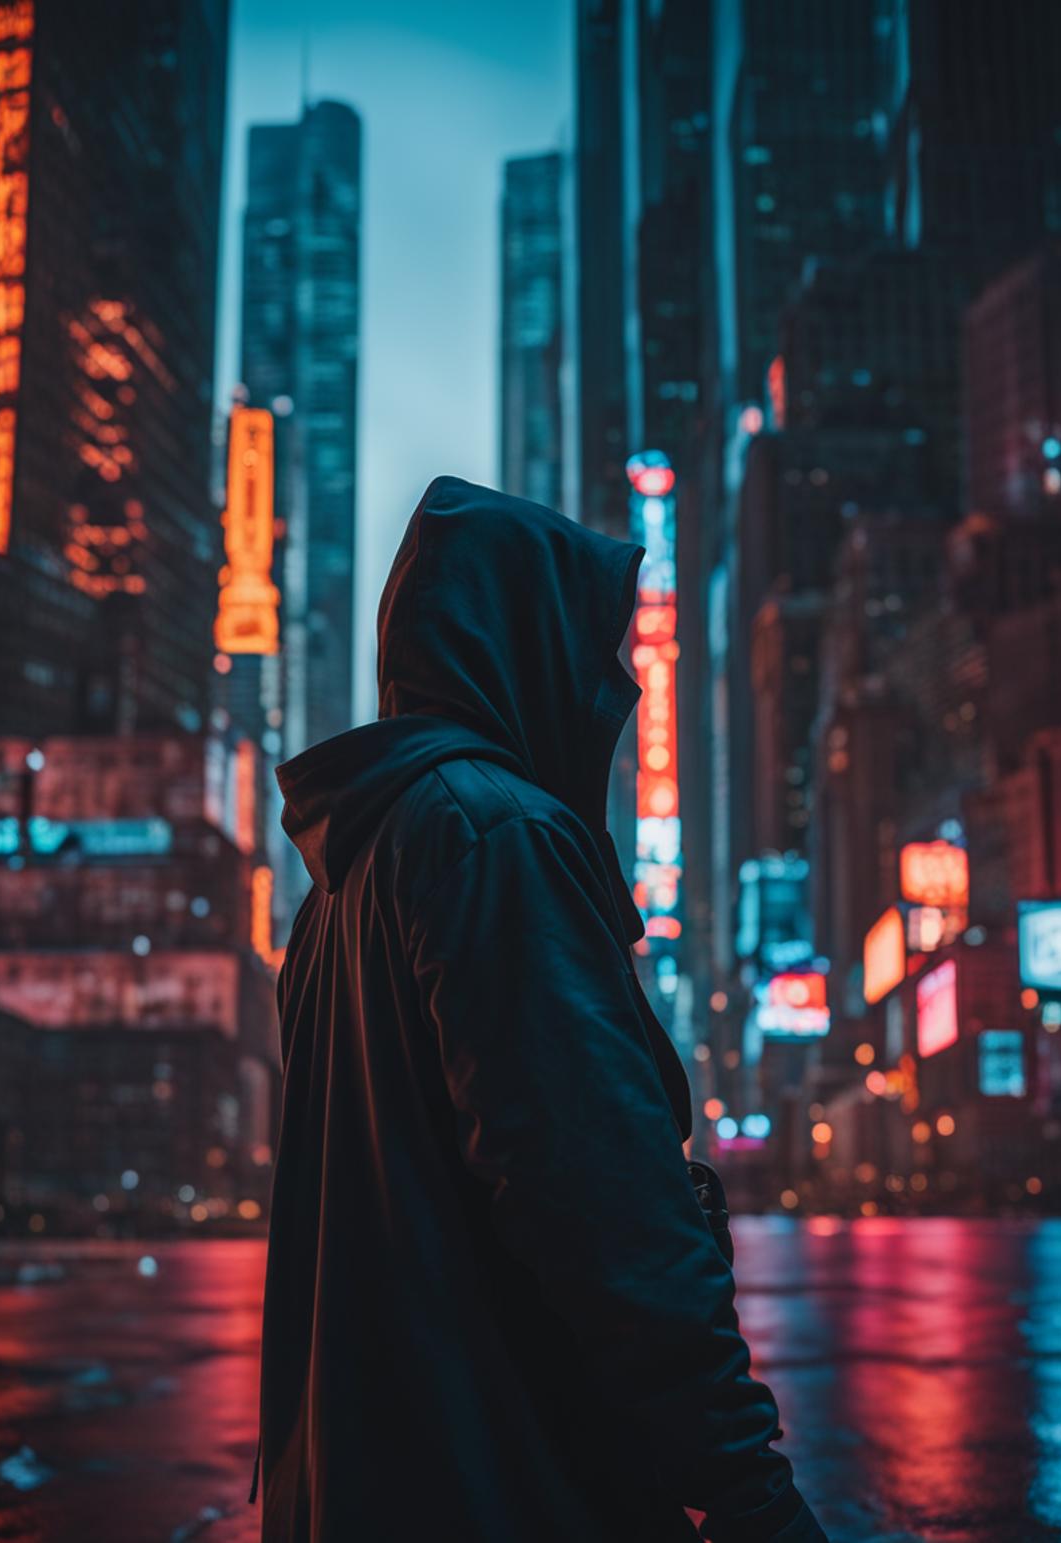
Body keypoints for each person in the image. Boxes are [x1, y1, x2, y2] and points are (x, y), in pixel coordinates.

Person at [252, 476, 828, 1541]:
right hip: (506, 1479)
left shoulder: (342, 882)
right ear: (524, 644)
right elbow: (602, 1199)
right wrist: (747, 1483)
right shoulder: (498, 838)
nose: (621, 689)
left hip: (366, 1481)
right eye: (594, 649)